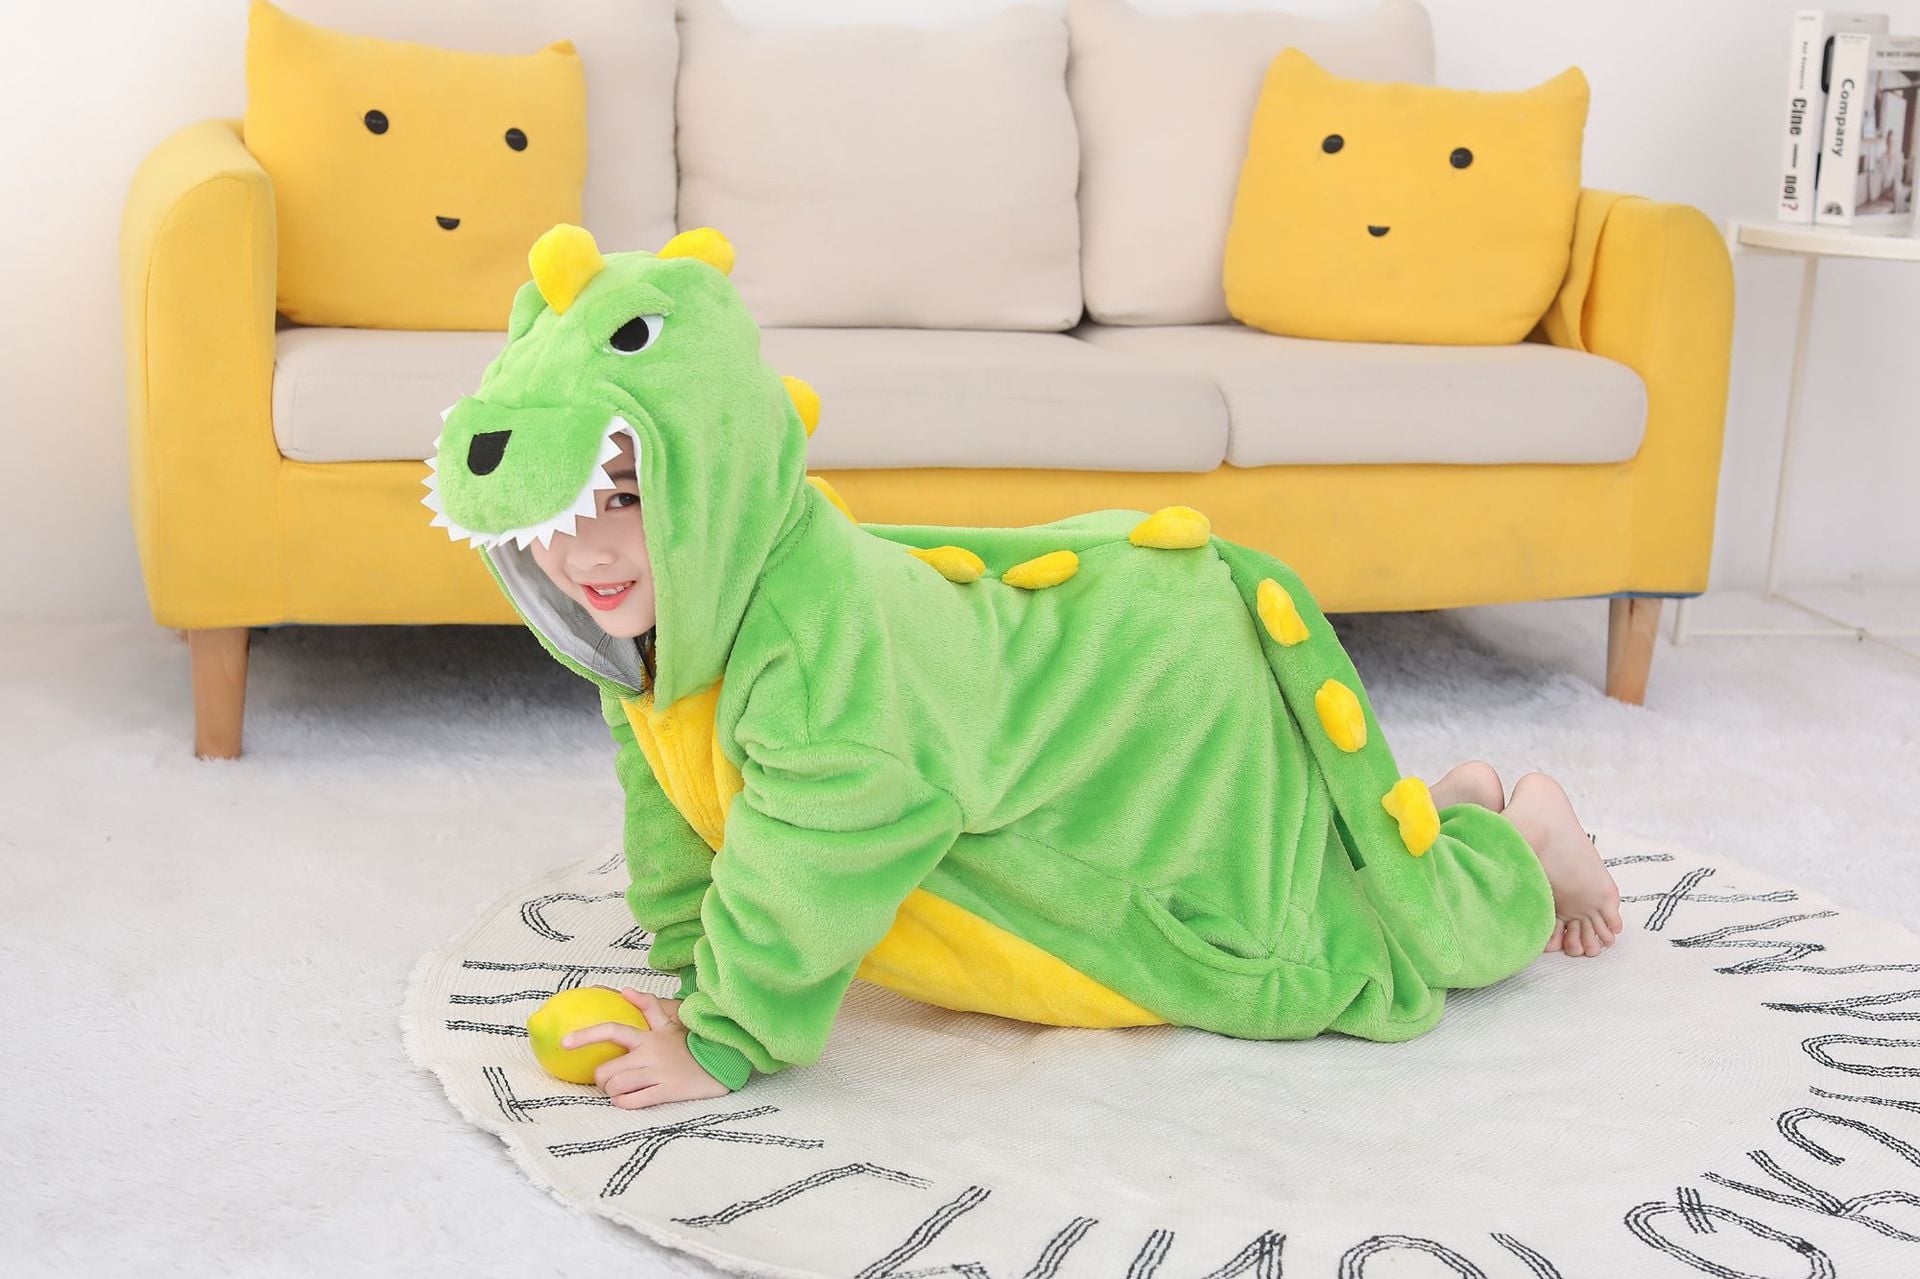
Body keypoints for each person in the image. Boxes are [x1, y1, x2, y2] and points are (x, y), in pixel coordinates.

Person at [423, 223, 1625, 1112]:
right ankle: (1441, 807)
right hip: (1084, 643)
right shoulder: (654, 620)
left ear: (718, 475)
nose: (584, 555)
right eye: (552, 519)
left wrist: (724, 1033)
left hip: (1149, 678)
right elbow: (668, 797)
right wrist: (689, 957)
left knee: (1304, 963)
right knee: (1289, 854)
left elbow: (818, 847)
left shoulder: (810, 651)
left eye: (626, 497)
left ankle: (1520, 846)